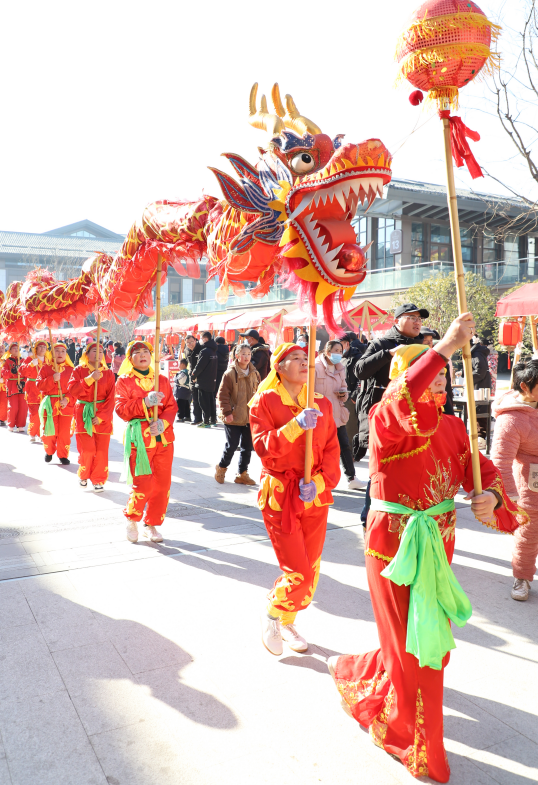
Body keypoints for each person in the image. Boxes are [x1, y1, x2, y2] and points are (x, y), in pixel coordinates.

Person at [326, 314, 526, 783]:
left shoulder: (455, 428)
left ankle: (367, 670)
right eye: (431, 376)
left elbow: (482, 472)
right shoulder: (386, 418)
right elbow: (401, 398)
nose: (438, 384)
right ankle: (417, 743)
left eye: (443, 378)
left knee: (420, 635)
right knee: (415, 650)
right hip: (393, 544)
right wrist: (447, 345)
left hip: (440, 541)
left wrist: (490, 497)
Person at [250, 343, 340, 655]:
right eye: (295, 359)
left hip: (313, 496)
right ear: (279, 365)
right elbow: (262, 448)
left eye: (306, 358)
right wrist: (295, 425)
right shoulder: (264, 401)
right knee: (298, 573)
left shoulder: (322, 404)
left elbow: (331, 449)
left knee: (311, 571)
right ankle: (273, 611)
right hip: (280, 495)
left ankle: (287, 620)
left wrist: (319, 481)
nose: (304, 363)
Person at [115, 341, 177, 543]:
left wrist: (164, 423)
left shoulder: (162, 380)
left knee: (162, 484)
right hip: (139, 439)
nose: (142, 355)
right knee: (143, 484)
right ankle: (132, 518)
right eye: (137, 352)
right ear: (129, 358)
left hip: (163, 438)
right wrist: (145, 402)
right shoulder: (123, 381)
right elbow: (121, 409)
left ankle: (151, 524)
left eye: (146, 352)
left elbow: (171, 406)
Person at [354, 303, 427, 463]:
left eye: (419, 319)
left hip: (411, 413)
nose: (417, 322)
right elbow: (359, 370)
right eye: (412, 318)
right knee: (382, 467)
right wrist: (388, 354)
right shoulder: (380, 344)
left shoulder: (422, 347)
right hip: (383, 413)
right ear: (396, 321)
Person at [491, 359, 538, 602]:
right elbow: (500, 461)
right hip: (532, 486)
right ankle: (522, 577)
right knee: (528, 535)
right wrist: (509, 495)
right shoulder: (511, 419)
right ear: (525, 387)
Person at [315, 340, 365, 491]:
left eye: (340, 350)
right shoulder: (316, 367)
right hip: (320, 414)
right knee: (321, 448)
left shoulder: (340, 367)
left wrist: (343, 394)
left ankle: (352, 477)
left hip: (337, 411)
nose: (339, 353)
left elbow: (343, 385)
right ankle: (319, 478)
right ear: (327, 351)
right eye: (336, 350)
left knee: (344, 445)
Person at [67, 342, 115, 493]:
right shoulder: (78, 370)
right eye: (95, 351)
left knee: (101, 451)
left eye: (101, 351)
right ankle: (84, 474)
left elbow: (111, 398)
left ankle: (98, 479)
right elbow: (73, 390)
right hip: (83, 412)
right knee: (87, 449)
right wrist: (89, 379)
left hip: (102, 415)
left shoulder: (108, 373)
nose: (99, 354)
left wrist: (101, 416)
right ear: (86, 354)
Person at [215, 343, 260, 486]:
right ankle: (221, 468)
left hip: (249, 417)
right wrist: (227, 412)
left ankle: (242, 473)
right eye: (243, 354)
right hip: (233, 416)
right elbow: (222, 395)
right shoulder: (229, 374)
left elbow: (259, 394)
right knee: (232, 445)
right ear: (237, 356)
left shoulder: (255, 373)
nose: (246, 357)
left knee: (247, 447)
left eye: (249, 354)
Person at [36, 342, 75, 464]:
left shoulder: (71, 370)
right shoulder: (46, 368)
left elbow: (76, 389)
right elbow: (39, 385)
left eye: (63, 351)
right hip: (50, 404)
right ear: (52, 353)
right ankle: (49, 451)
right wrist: (52, 379)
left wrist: (67, 398)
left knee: (64, 433)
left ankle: (63, 455)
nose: (60, 353)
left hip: (66, 405)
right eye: (57, 351)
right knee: (49, 431)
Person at [20, 340, 49, 443]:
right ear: (35, 349)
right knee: (35, 413)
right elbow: (22, 371)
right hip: (32, 388)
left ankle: (41, 433)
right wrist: (31, 365)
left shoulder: (49, 360)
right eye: (40, 346)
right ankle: (32, 432)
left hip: (44, 389)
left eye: (44, 347)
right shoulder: (30, 359)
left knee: (44, 412)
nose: (42, 349)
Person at [191, 331, 218, 428]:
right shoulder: (213, 350)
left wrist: (193, 375)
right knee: (211, 400)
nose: (200, 341)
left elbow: (200, 366)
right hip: (212, 379)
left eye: (201, 338)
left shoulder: (205, 351)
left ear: (205, 339)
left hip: (203, 380)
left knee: (203, 401)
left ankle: (206, 421)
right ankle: (213, 420)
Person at [1, 343, 27, 433]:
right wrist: (12, 371)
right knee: (13, 407)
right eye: (14, 348)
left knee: (23, 406)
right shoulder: (7, 361)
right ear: (10, 350)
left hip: (22, 385)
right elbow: (4, 373)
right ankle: (11, 424)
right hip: (12, 385)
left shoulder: (23, 360)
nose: (16, 350)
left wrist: (24, 382)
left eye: (17, 348)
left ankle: (21, 425)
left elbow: (27, 372)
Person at [184, 334, 203, 425]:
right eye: (188, 343)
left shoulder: (201, 349)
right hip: (192, 376)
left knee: (203, 399)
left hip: (202, 376)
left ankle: (209, 418)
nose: (190, 344)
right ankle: (197, 418)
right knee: (195, 398)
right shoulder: (186, 351)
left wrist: (196, 375)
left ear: (195, 340)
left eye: (191, 342)